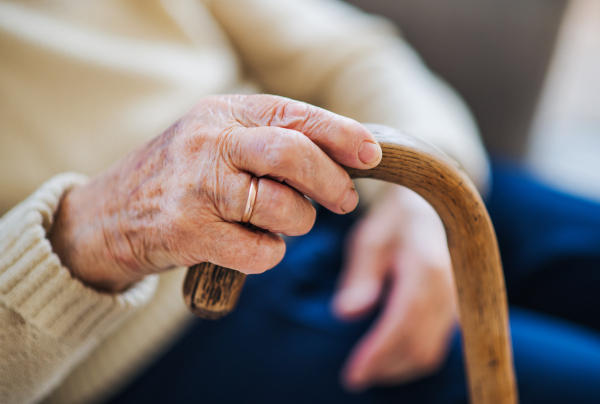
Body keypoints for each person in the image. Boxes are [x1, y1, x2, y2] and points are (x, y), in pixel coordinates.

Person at [1, 1, 599, 404]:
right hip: (145, 334)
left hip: (369, 181)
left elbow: (348, 52)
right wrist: (101, 232)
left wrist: (413, 204)